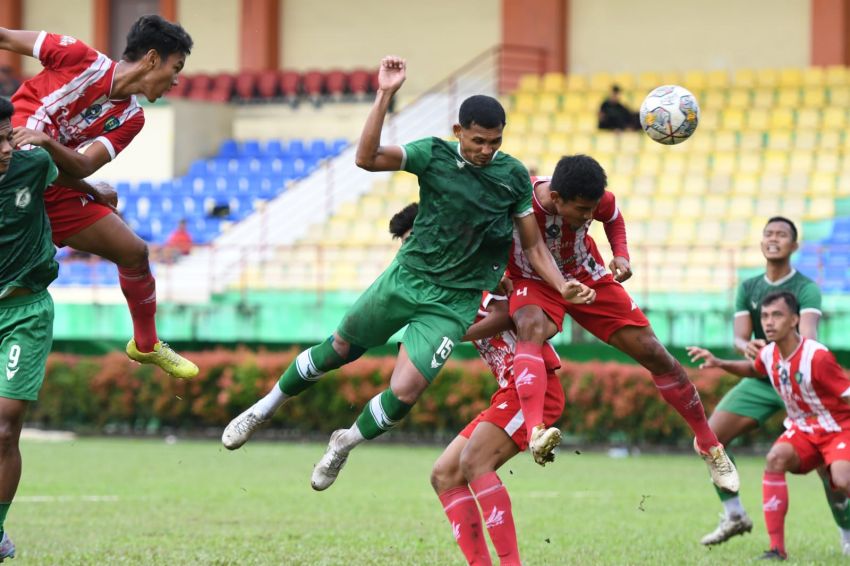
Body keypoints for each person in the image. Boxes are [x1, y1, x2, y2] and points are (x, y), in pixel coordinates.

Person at [221, 56, 595, 492]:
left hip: (454, 302)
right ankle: (264, 408)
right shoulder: (432, 154)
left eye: (494, 141)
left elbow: (532, 245)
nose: (486, 150)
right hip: (407, 277)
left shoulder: (512, 176)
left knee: (405, 395)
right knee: (339, 348)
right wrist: (384, 95)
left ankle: (343, 443)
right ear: (459, 133)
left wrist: (560, 283)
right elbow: (366, 158)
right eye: (478, 141)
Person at [506, 155, 738, 491]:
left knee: (655, 353)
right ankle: (535, 432)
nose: (589, 216)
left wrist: (621, 253)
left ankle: (708, 444)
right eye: (583, 210)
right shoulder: (518, 199)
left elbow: (613, 217)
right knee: (530, 326)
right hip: (532, 278)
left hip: (585, 275)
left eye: (592, 208)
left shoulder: (596, 199)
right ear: (556, 198)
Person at [0, 15, 198, 378]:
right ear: (152, 59)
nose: (176, 80)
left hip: (53, 184)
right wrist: (91, 190)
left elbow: (82, 165)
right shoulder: (76, 55)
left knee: (134, 251)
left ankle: (147, 345)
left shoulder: (132, 118)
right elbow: (7, 37)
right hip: (8, 173)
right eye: (176, 67)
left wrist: (49, 144)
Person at [387, 202, 563, 565]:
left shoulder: (479, 263)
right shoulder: (444, 287)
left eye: (414, 239)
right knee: (444, 475)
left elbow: (504, 312)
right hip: (507, 392)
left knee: (475, 462)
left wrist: (455, 331)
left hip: (532, 388)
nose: (412, 249)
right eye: (405, 245)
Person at [697, 217, 849, 546]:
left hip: (803, 383)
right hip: (765, 375)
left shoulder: (806, 288)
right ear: (761, 242)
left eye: (782, 234)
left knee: (832, 469)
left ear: (794, 246)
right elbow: (741, 339)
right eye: (768, 233)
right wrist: (743, 349)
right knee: (708, 440)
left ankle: (845, 532)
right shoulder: (749, 287)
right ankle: (734, 514)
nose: (774, 238)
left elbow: (807, 338)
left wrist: (778, 352)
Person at [0, 97, 61, 561]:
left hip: (25, 313)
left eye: (8, 136)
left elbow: (69, 182)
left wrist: (95, 190)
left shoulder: (34, 162)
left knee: (4, 429)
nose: (7, 147)